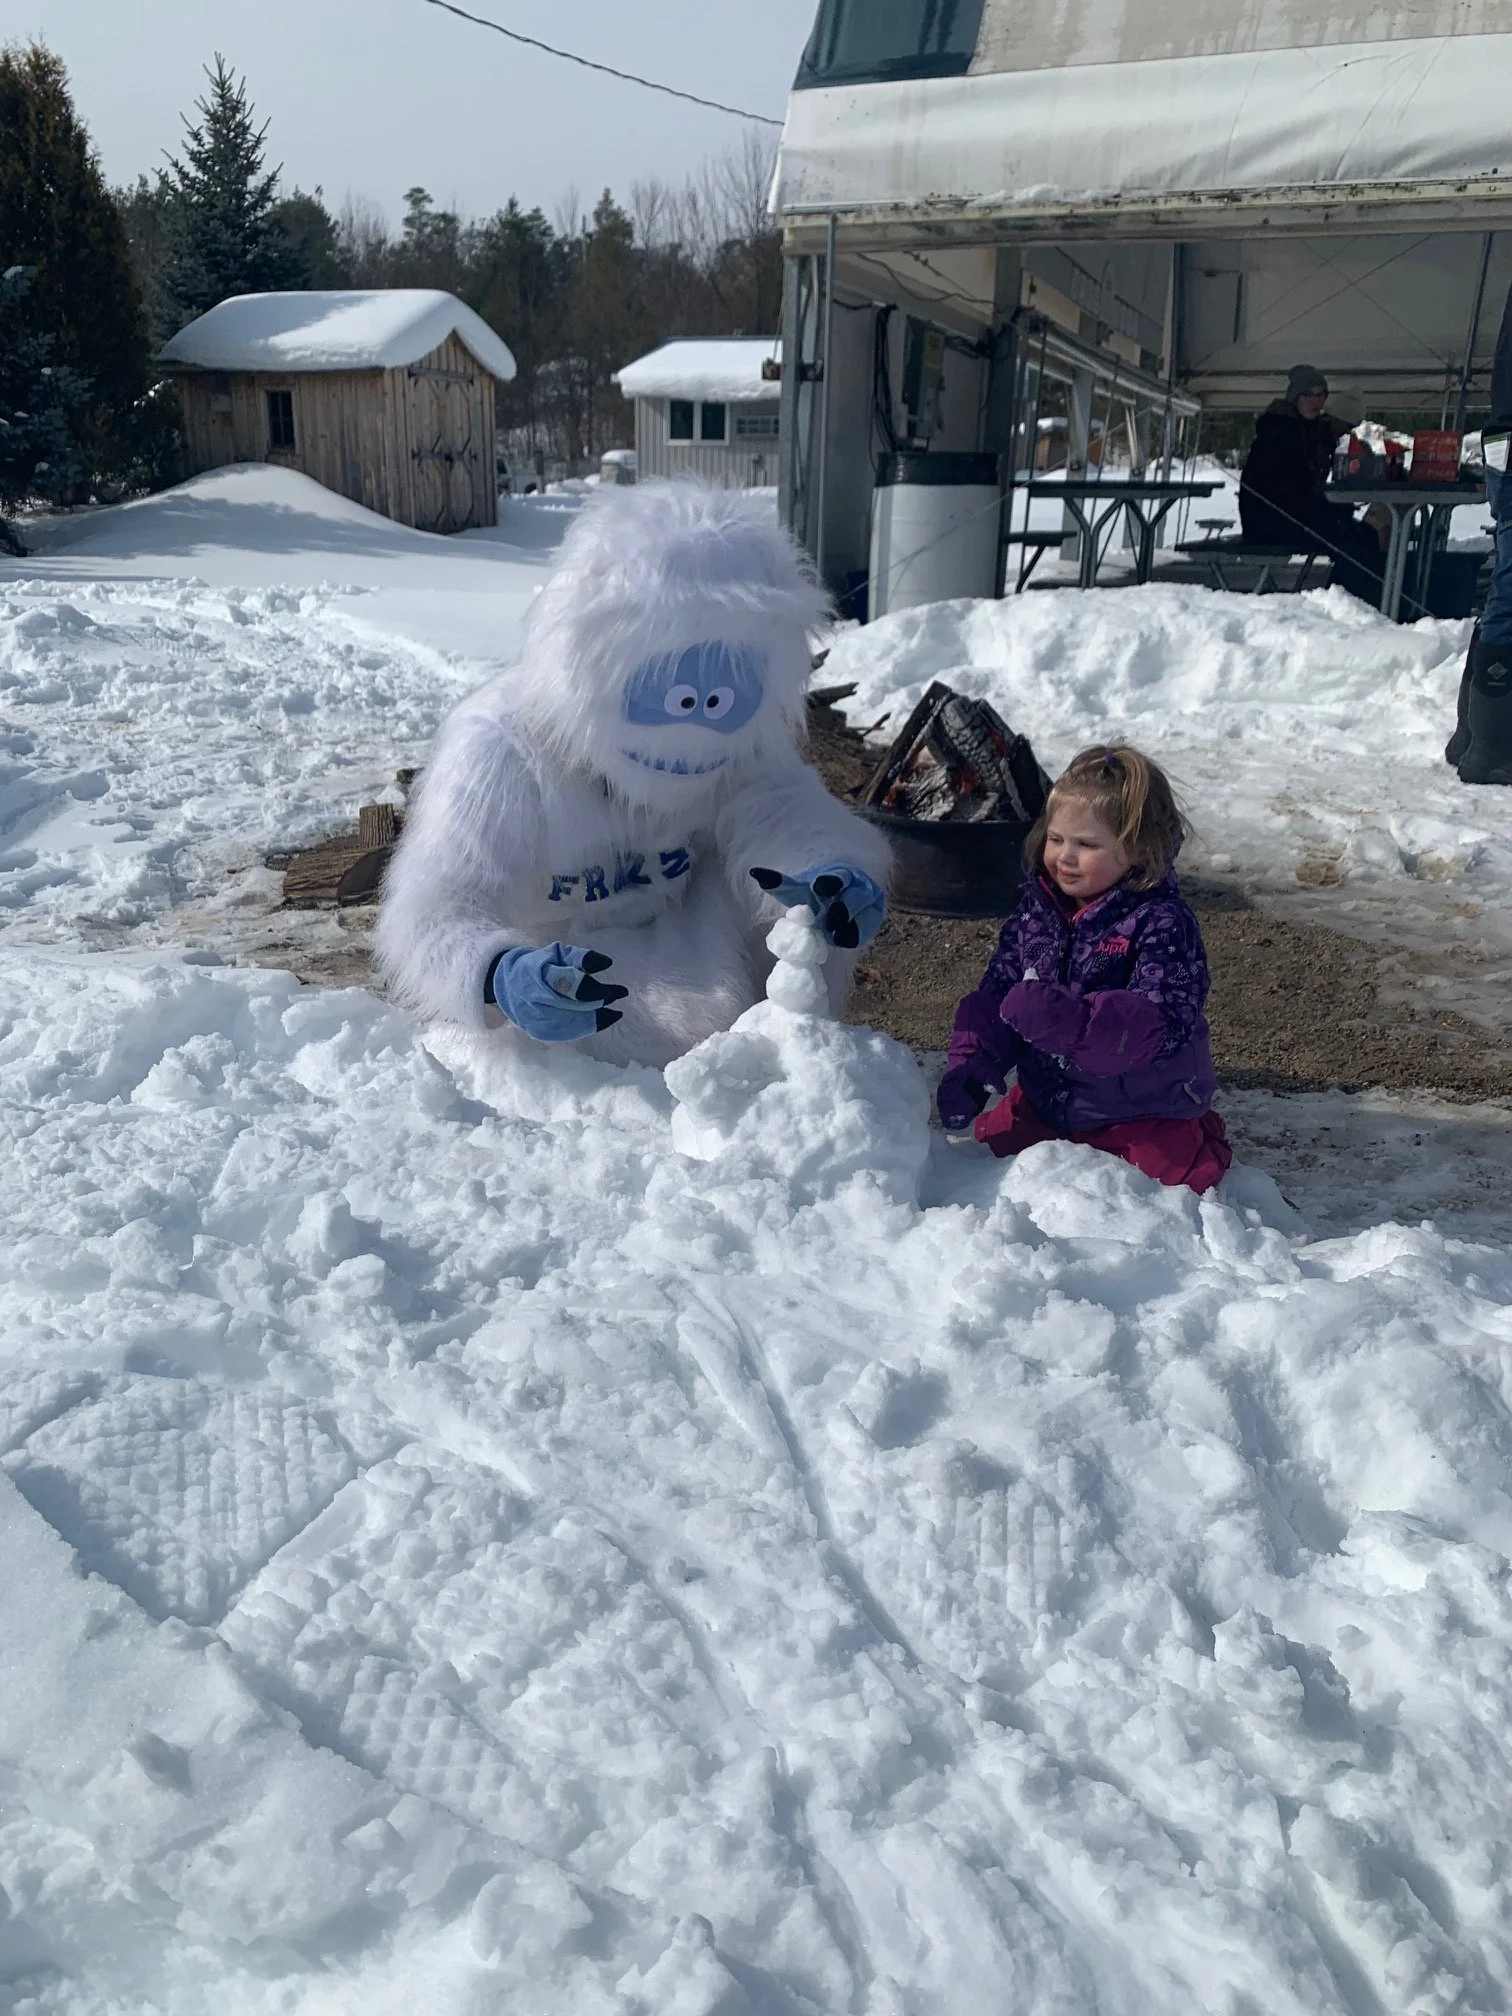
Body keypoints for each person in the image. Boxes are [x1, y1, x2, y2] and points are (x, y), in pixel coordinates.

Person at [377, 482, 890, 1068]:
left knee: (801, 924)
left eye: (720, 691)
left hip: (688, 941)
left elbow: (779, 809)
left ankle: (782, 1059)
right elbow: (431, 910)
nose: (698, 716)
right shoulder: (501, 747)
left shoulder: (742, 741)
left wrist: (828, 873)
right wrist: (495, 973)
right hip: (556, 962)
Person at [936, 746, 1231, 1195]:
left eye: (1087, 845)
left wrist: (1071, 1024)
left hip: (1141, 1106)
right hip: (1049, 1097)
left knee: (1167, 1190)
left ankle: (1204, 1144)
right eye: (1056, 839)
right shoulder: (1038, 911)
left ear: (1138, 849)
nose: (1065, 857)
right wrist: (974, 1063)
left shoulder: (1161, 921)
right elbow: (999, 993)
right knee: (985, 1171)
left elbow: (1160, 1026)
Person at [1238, 364, 1386, 604]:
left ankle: (1357, 601)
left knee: (1362, 535)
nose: (1315, 400)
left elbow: (1303, 491)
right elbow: (1288, 493)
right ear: (1295, 397)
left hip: (1291, 516)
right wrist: (1333, 510)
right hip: (1270, 523)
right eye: (1308, 394)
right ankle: (1353, 603)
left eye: (1321, 395)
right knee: (1352, 541)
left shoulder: (1305, 431)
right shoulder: (1280, 432)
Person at [1447, 284, 1512, 783]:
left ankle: (1475, 736)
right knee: (1510, 589)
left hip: (1504, 436)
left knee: (1505, 586)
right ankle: (1490, 745)